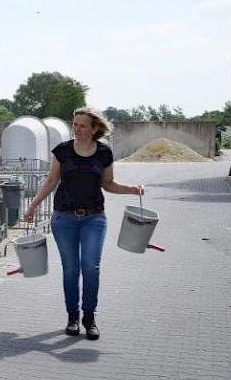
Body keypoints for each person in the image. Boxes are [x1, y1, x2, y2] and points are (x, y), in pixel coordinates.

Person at [23, 107, 145, 340]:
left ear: (94, 129)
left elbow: (108, 184)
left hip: (94, 218)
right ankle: (73, 317)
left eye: (82, 125)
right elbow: (51, 181)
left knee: (91, 268)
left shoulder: (104, 153)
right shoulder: (63, 151)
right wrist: (33, 205)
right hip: (64, 219)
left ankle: (90, 317)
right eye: (74, 124)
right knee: (71, 269)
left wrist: (132, 189)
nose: (76, 129)